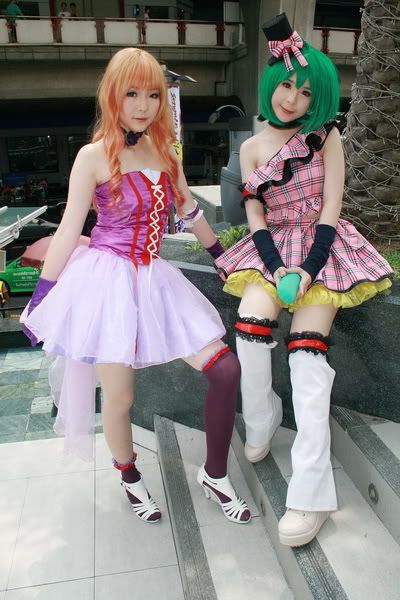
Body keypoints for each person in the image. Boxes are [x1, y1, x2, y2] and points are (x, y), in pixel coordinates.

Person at [21, 48, 251, 526]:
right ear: (113, 96)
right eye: (132, 94)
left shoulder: (165, 151)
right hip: (107, 286)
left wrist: (220, 255)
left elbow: (188, 210)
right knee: (121, 399)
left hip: (155, 279)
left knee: (226, 370)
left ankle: (214, 474)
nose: (144, 105)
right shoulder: (92, 156)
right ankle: (128, 475)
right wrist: (41, 298)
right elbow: (69, 229)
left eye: (152, 95)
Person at [215, 13, 393, 546]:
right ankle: (262, 415)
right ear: (272, 83)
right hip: (270, 251)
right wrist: (276, 269)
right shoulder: (251, 148)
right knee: (249, 332)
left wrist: (308, 269)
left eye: (306, 91)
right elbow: (256, 216)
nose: (292, 98)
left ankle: (311, 494)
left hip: (324, 248)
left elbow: (332, 206)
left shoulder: (325, 137)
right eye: (287, 85)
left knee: (306, 354)